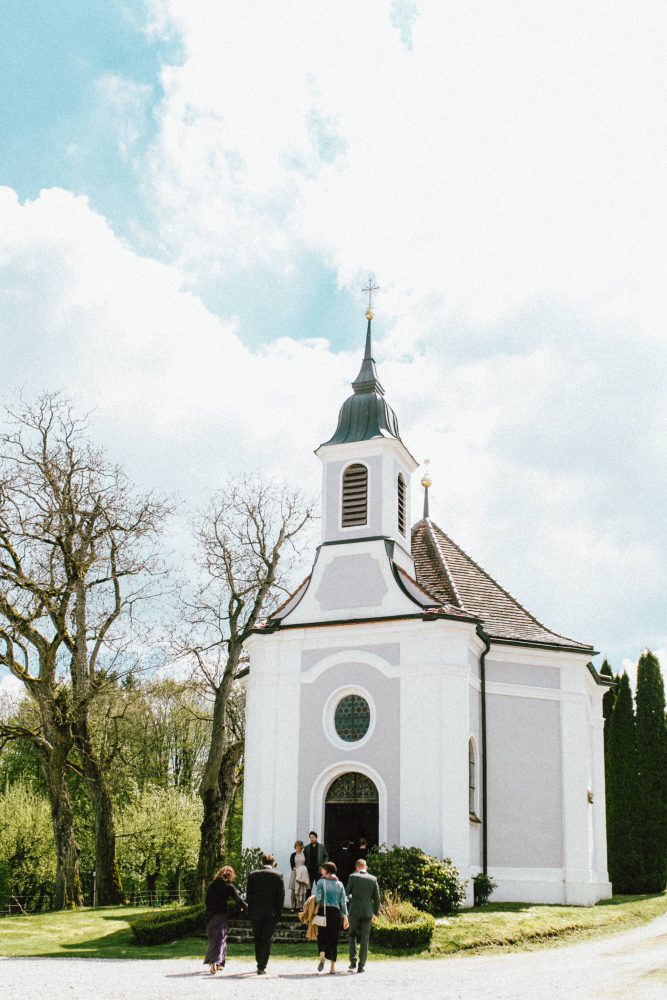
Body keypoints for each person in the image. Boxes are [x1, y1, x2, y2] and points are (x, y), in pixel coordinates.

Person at [245, 852, 285, 975]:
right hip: (270, 913)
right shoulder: (278, 875)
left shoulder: (252, 875)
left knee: (258, 938)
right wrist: (278, 913)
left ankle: (259, 962)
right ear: (273, 863)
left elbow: (249, 896)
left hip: (256, 912)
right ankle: (262, 965)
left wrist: (250, 911)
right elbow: (280, 897)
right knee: (266, 938)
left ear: (262, 862)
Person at [203, 865, 247, 975]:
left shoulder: (211, 885)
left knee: (214, 939)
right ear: (230, 876)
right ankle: (214, 962)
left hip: (210, 916)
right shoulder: (229, 887)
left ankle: (219, 963)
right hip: (221, 915)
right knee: (220, 939)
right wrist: (247, 907)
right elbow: (238, 900)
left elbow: (207, 901)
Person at [346, 858, 380, 973]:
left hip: (354, 911)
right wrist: (375, 913)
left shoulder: (352, 877)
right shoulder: (373, 879)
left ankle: (353, 961)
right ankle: (362, 965)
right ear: (366, 867)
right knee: (365, 938)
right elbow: (377, 899)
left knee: (352, 935)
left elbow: (346, 894)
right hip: (367, 911)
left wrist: (350, 902)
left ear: (356, 867)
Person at [315, 861, 348, 975]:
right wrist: (345, 917)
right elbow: (343, 902)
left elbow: (318, 899)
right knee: (333, 939)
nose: (321, 870)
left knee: (321, 935)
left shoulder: (320, 882)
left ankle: (322, 955)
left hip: (322, 911)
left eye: (323, 869)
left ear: (327, 871)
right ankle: (332, 967)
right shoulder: (339, 884)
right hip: (335, 913)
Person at [289, 840, 310, 911]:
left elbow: (307, 864)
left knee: (302, 890)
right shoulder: (293, 855)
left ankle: (300, 906)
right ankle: (292, 906)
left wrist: (302, 870)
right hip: (295, 873)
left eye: (299, 845)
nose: (297, 847)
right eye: (296, 845)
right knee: (294, 890)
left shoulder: (305, 854)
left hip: (302, 874)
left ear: (301, 846)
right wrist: (297, 870)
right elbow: (292, 865)